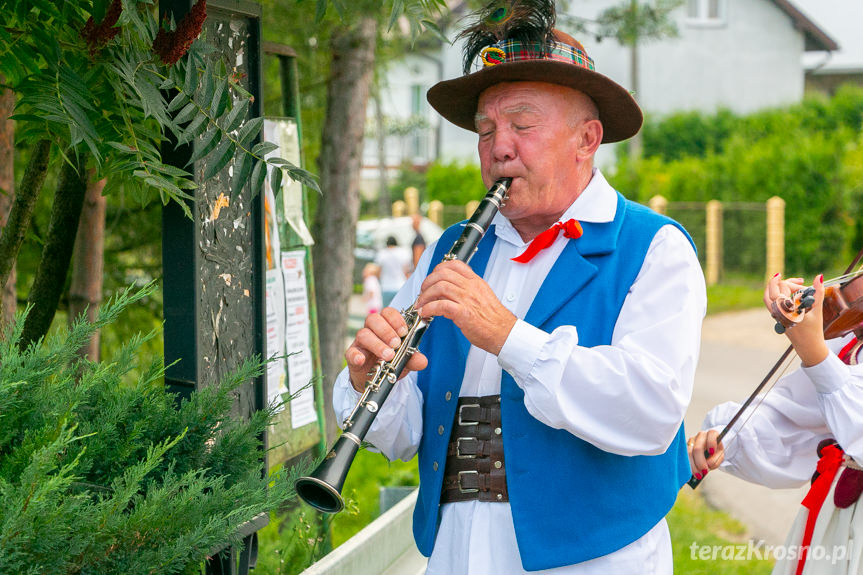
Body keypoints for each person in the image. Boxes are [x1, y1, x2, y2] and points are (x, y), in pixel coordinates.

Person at [333, 2, 706, 572]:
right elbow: (406, 433)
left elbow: (651, 411)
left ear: (587, 139)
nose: (498, 147)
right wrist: (367, 381)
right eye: (486, 130)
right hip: (457, 554)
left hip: (594, 561)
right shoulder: (451, 248)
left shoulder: (653, 247)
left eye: (522, 125)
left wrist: (508, 335)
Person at [689, 272, 863, 575]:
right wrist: (730, 437)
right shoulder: (855, 334)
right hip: (836, 521)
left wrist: (815, 354)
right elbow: (798, 412)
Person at [375, 236, 410, 308]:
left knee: (385, 312)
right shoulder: (402, 253)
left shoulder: (382, 253)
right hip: (400, 286)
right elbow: (406, 271)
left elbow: (378, 272)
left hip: (386, 287)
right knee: (400, 311)